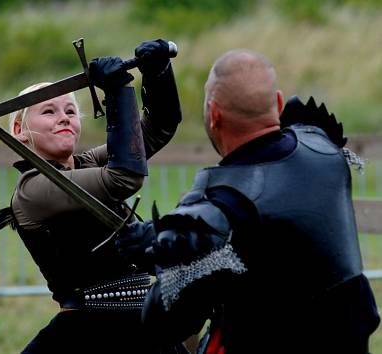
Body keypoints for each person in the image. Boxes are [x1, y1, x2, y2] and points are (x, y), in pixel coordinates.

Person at [115, 48, 380, 354]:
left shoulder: (218, 209)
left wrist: (166, 255)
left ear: (214, 115)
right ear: (279, 103)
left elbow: (162, 324)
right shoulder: (323, 148)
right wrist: (174, 241)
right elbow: (275, 245)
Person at [0, 39, 186, 353]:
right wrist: (119, 91)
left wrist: (158, 72)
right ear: (19, 130)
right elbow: (124, 177)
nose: (64, 117)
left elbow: (158, 128)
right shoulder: (32, 190)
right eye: (49, 111)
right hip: (88, 333)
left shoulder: (89, 163)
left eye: (70, 110)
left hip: (142, 321)